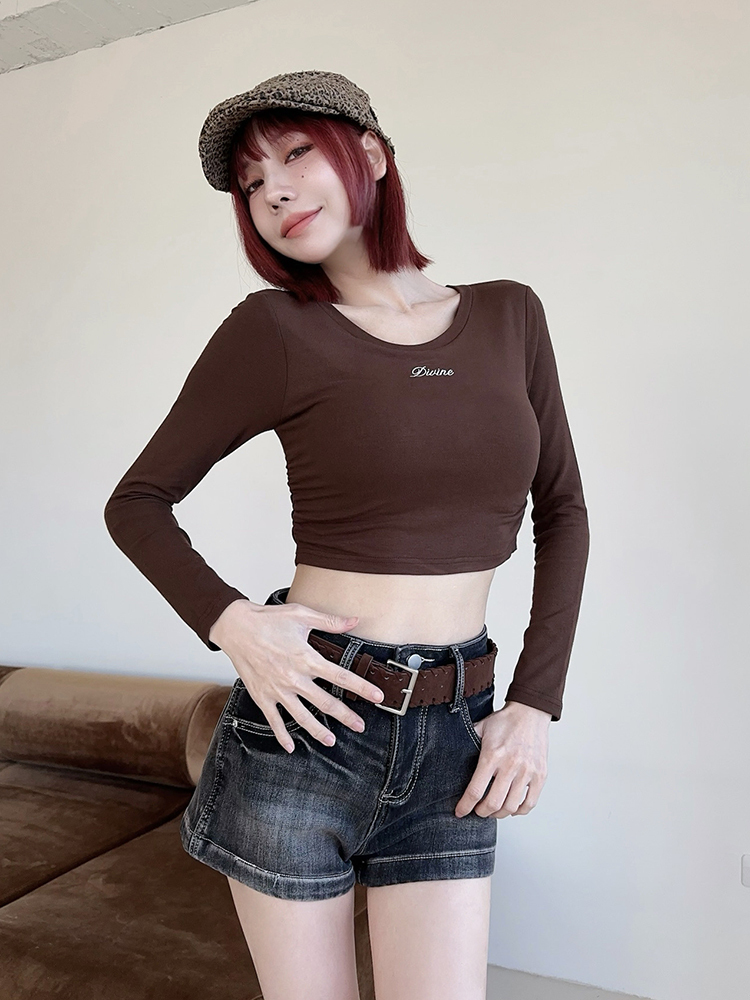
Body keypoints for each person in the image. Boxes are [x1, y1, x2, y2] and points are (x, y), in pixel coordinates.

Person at [103, 69, 590, 1000]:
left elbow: (563, 509)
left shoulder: (510, 314)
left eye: (295, 154)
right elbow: (139, 500)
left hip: (457, 723)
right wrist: (234, 623)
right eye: (251, 182)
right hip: (307, 720)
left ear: (369, 153)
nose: (273, 190)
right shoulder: (275, 330)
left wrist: (534, 703)